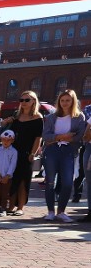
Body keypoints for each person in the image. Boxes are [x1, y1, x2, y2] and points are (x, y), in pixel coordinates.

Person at [41, 89, 86, 222]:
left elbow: (79, 137)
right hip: (51, 150)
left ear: (73, 101)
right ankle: (50, 211)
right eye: (62, 100)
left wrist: (64, 139)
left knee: (67, 182)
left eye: (68, 100)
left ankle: (61, 211)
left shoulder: (79, 117)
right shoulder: (51, 117)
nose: (65, 103)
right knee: (49, 182)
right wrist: (61, 137)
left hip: (68, 151)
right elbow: (46, 136)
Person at [3, 91, 43, 216]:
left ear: (33, 101)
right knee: (12, 178)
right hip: (13, 151)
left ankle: (20, 207)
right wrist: (6, 122)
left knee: (23, 180)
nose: (23, 102)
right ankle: (10, 206)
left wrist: (33, 153)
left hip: (27, 151)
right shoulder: (16, 116)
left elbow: (38, 138)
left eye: (27, 100)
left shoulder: (38, 117)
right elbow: (7, 132)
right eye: (22, 100)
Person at [0, 130, 18, 217]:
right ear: (1, 140)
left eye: (8, 140)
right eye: (4, 140)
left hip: (7, 177)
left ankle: (3, 209)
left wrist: (8, 175)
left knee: (5, 193)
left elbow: (13, 164)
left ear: (12, 140)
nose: (5, 142)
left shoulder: (14, 152)